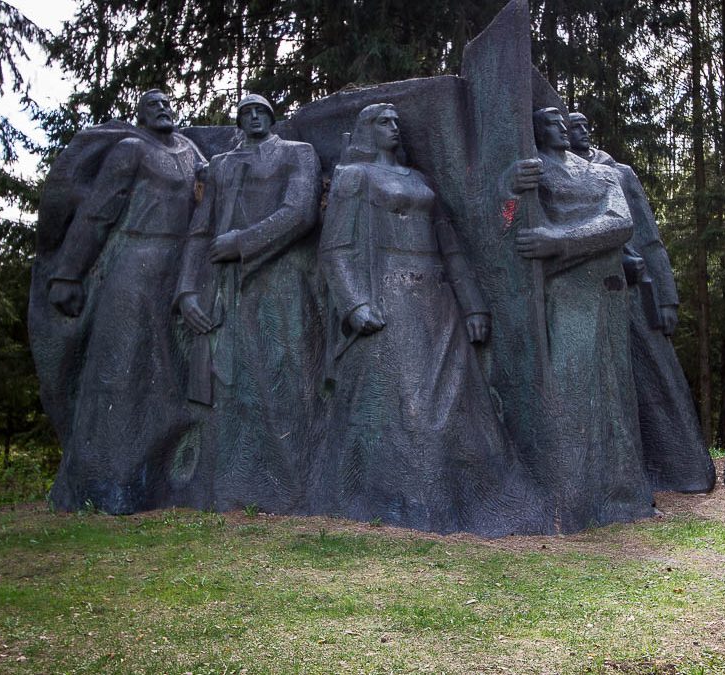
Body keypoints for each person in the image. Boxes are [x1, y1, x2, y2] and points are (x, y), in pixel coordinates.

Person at [314, 103, 545, 536]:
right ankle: (407, 502)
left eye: (397, 120)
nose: (395, 127)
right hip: (387, 296)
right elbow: (336, 248)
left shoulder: (421, 181)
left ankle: (468, 499)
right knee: (408, 406)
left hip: (438, 300)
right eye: (385, 121)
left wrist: (473, 304)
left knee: (461, 405)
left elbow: (451, 247)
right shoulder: (354, 178)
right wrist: (354, 303)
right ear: (366, 129)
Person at [46, 89, 205, 513]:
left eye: (167, 103)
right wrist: (67, 273)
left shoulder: (190, 151)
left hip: (180, 265)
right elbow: (98, 213)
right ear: (139, 115)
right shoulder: (131, 150)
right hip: (134, 266)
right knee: (120, 369)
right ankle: (103, 484)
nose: (164, 109)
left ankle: (163, 476)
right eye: (153, 105)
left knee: (172, 373)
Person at [174, 94, 324, 514]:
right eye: (246, 112)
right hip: (228, 288)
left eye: (262, 110)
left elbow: (300, 213)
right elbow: (200, 230)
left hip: (282, 280)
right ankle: (236, 488)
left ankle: (296, 487)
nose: (254, 116)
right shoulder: (221, 165)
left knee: (289, 376)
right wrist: (186, 289)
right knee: (231, 385)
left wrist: (242, 242)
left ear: (273, 117)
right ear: (238, 121)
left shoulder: (298, 154)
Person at [509, 107, 654, 531]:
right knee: (570, 390)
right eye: (549, 120)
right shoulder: (533, 169)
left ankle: (623, 495)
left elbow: (620, 223)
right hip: (564, 290)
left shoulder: (603, 174)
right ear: (535, 129)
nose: (558, 125)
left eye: (561, 119)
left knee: (614, 394)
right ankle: (570, 497)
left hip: (606, 287)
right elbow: (504, 222)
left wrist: (561, 240)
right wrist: (510, 189)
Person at [566, 111, 715, 493]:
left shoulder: (618, 172)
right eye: (572, 126)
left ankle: (683, 471)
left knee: (657, 376)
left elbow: (649, 237)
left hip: (631, 287)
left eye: (585, 124)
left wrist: (667, 298)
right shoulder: (560, 172)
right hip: (586, 288)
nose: (581, 131)